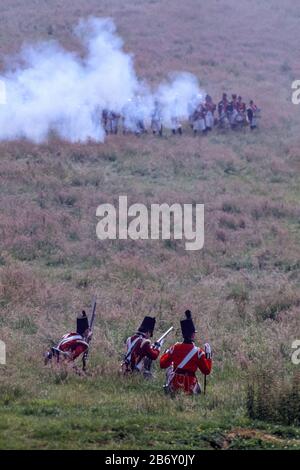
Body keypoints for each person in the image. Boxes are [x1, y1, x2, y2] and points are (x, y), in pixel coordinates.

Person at [160, 310, 212, 395]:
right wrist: (208, 356)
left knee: (170, 369)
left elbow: (162, 364)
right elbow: (206, 371)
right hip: (189, 387)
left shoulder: (175, 348)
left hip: (175, 386)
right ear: (192, 335)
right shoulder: (198, 352)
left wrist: (166, 353)